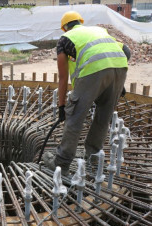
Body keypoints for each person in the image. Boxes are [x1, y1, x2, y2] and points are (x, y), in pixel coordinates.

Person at [43, 11, 130, 176]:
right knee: (103, 117)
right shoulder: (99, 31)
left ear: (65, 28)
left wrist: (62, 106)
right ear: (80, 22)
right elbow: (127, 52)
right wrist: (117, 80)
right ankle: (93, 159)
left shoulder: (65, 39)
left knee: (74, 116)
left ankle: (60, 164)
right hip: (120, 67)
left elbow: (62, 77)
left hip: (94, 70)